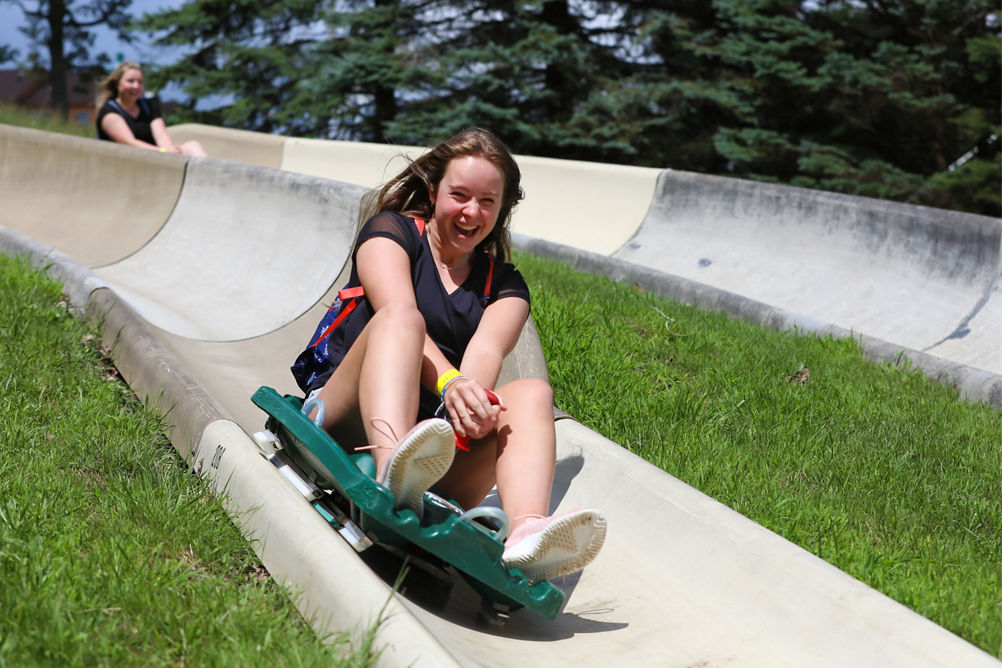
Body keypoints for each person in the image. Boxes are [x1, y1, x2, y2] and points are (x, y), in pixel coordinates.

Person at [292, 127, 605, 583]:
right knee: (404, 318)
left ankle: (527, 534)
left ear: (502, 210)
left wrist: (470, 406)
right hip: (347, 408)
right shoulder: (390, 232)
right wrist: (450, 384)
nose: (471, 212)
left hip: (430, 446)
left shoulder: (506, 286)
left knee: (533, 392)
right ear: (434, 190)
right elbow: (394, 311)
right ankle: (390, 473)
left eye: (487, 202)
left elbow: (484, 355)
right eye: (459, 195)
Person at [94, 61, 206, 156]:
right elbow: (130, 143)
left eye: (140, 82)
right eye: (130, 81)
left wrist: (170, 151)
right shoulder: (109, 112)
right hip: (130, 161)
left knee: (192, 146)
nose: (136, 86)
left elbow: (161, 135)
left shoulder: (149, 105)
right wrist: (162, 152)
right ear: (117, 84)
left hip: (157, 157)